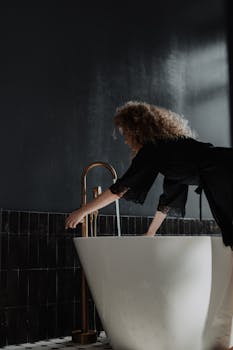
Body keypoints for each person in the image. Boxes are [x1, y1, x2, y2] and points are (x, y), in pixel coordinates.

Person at [65, 101, 233, 350]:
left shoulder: (153, 149)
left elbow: (119, 189)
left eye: (124, 133)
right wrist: (151, 232)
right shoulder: (173, 149)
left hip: (226, 174)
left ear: (135, 129)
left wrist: (82, 211)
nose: (124, 140)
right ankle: (224, 339)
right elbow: (169, 198)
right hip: (224, 170)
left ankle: (224, 339)